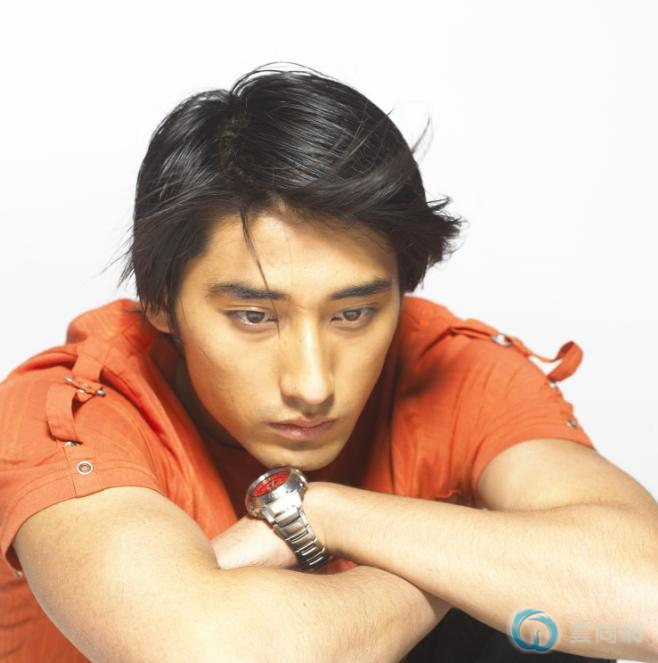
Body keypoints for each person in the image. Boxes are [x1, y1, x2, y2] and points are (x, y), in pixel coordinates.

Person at [0, 65, 655, 663]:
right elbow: (210, 653)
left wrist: (325, 514)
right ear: (161, 301)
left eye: (354, 314)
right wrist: (469, 566)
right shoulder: (72, 411)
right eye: (253, 316)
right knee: (530, 600)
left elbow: (644, 600)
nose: (312, 385)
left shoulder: (451, 369)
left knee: (540, 635)